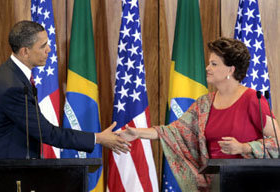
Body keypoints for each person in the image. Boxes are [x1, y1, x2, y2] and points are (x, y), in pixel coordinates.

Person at [118, 37, 280, 191]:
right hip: (214, 185)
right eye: (209, 63)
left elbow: (277, 142)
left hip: (248, 183)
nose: (207, 68)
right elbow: (173, 132)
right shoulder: (204, 104)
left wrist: (244, 147)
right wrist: (138, 133)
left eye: (214, 64)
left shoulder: (252, 99)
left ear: (230, 69)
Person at [0, 20, 130, 160]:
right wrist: (98, 138)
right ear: (25, 52)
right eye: (43, 46)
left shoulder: (11, 74)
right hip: (8, 172)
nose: (49, 49)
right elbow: (46, 132)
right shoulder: (12, 86)